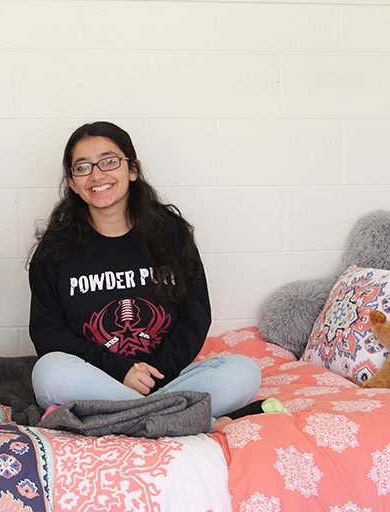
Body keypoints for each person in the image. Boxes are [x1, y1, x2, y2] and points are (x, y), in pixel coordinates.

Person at [28, 121, 261, 426]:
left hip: (165, 377)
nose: (97, 175)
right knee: (49, 373)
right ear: (71, 182)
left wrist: (151, 374)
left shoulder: (171, 235)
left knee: (244, 371)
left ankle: (126, 417)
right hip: (99, 379)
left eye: (109, 161)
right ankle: (180, 418)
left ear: (133, 169)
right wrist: (120, 371)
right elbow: (48, 333)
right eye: (82, 167)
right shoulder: (55, 249)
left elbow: (196, 314)